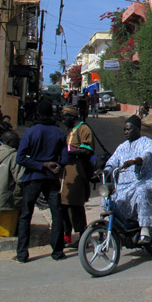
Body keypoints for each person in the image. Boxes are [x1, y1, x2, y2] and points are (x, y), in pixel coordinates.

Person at [15, 97, 67, 263]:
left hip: (32, 177)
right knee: (56, 213)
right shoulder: (59, 132)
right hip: (51, 178)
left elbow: (20, 158)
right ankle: (57, 251)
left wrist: (41, 164)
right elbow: (64, 159)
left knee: (26, 214)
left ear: (37, 113)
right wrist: (54, 166)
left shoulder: (31, 132)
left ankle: (22, 253)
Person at [105, 115, 152, 244]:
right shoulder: (122, 146)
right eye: (124, 130)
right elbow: (113, 160)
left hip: (146, 179)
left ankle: (145, 227)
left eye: (129, 129)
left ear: (138, 130)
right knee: (109, 197)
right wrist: (106, 169)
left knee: (141, 190)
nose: (126, 132)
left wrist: (137, 160)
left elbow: (151, 152)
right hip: (125, 184)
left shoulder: (147, 143)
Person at [59, 105, 95, 246]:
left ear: (71, 117)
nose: (63, 120)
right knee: (64, 205)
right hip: (66, 174)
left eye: (65, 117)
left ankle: (82, 237)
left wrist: (71, 152)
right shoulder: (71, 131)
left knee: (75, 206)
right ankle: (67, 234)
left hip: (78, 173)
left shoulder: (83, 129)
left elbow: (88, 151)